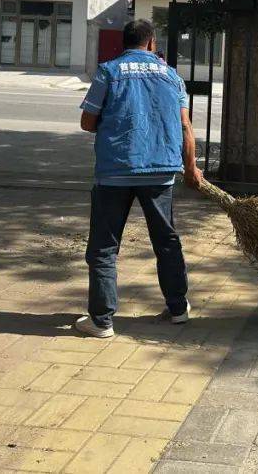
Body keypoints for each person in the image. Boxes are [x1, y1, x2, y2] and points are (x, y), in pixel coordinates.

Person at [73, 19, 204, 338]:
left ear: (125, 43)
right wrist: (191, 167)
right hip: (160, 170)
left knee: (104, 246)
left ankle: (102, 321)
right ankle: (178, 309)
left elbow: (87, 123)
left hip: (115, 171)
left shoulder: (109, 71)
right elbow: (186, 126)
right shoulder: (171, 76)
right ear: (151, 43)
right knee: (166, 240)